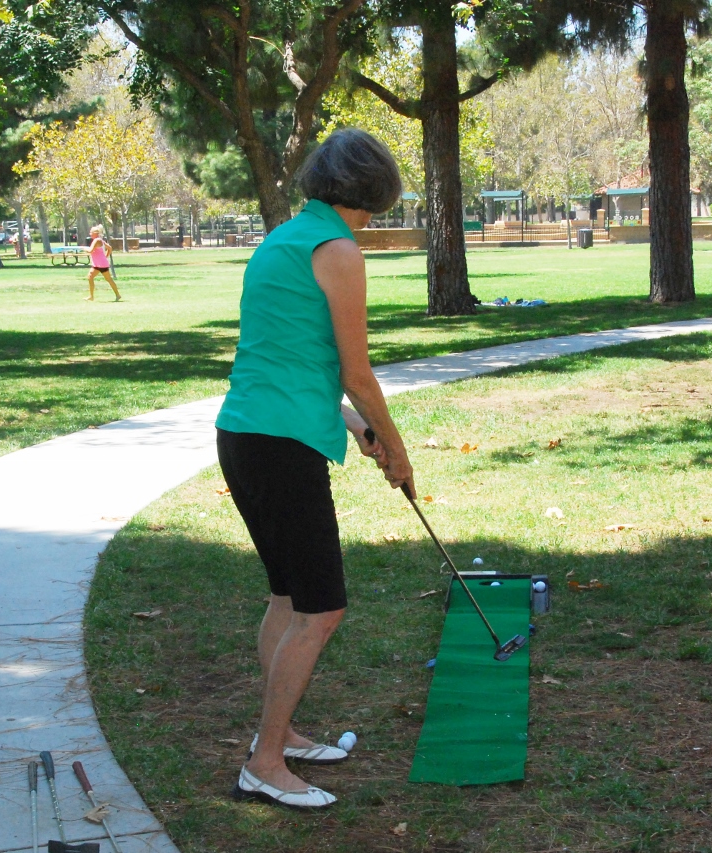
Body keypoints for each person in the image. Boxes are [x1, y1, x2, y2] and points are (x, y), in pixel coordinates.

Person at [215, 128, 411, 810]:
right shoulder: (338, 250)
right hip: (280, 447)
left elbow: (294, 358)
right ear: (376, 188)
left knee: (286, 598)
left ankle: (284, 734)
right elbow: (356, 371)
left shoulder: (283, 240)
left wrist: (356, 429)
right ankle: (265, 762)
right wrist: (397, 443)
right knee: (322, 610)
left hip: (244, 435)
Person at [85, 226, 121, 302]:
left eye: (91, 232)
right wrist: (105, 257)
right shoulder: (100, 240)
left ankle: (118, 295)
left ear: (95, 233)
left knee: (108, 279)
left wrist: (83, 249)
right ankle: (91, 296)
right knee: (90, 277)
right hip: (98, 264)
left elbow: (90, 250)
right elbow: (110, 248)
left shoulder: (96, 241)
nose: (90, 234)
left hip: (100, 264)